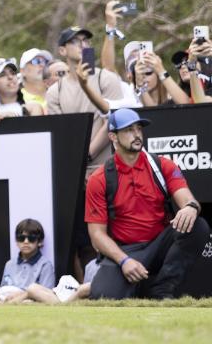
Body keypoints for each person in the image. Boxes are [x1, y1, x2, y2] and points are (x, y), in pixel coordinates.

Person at [85, 109, 209, 299]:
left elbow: (188, 200)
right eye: (128, 130)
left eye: (138, 129)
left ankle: (162, 288)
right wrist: (124, 260)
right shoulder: (99, 179)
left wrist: (191, 208)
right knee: (104, 296)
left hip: (160, 243)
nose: (136, 134)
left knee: (198, 226)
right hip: (125, 249)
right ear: (113, 136)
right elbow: (97, 235)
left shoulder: (162, 165)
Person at [46, 26, 124, 175]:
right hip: (73, 171)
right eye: (75, 41)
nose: (82, 45)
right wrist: (78, 161)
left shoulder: (107, 78)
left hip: (110, 169)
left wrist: (88, 154)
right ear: (62, 50)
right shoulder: (54, 92)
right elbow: (60, 132)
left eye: (85, 40)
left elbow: (115, 120)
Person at [0, 218, 54, 303]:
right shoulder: (10, 264)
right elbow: (4, 289)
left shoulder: (45, 265)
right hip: (5, 299)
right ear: (16, 241)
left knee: (29, 297)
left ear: (39, 242)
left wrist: (22, 294)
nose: (26, 241)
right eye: (21, 238)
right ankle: (2, 307)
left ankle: (1, 307)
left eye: (31, 238)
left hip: (26, 301)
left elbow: (46, 295)